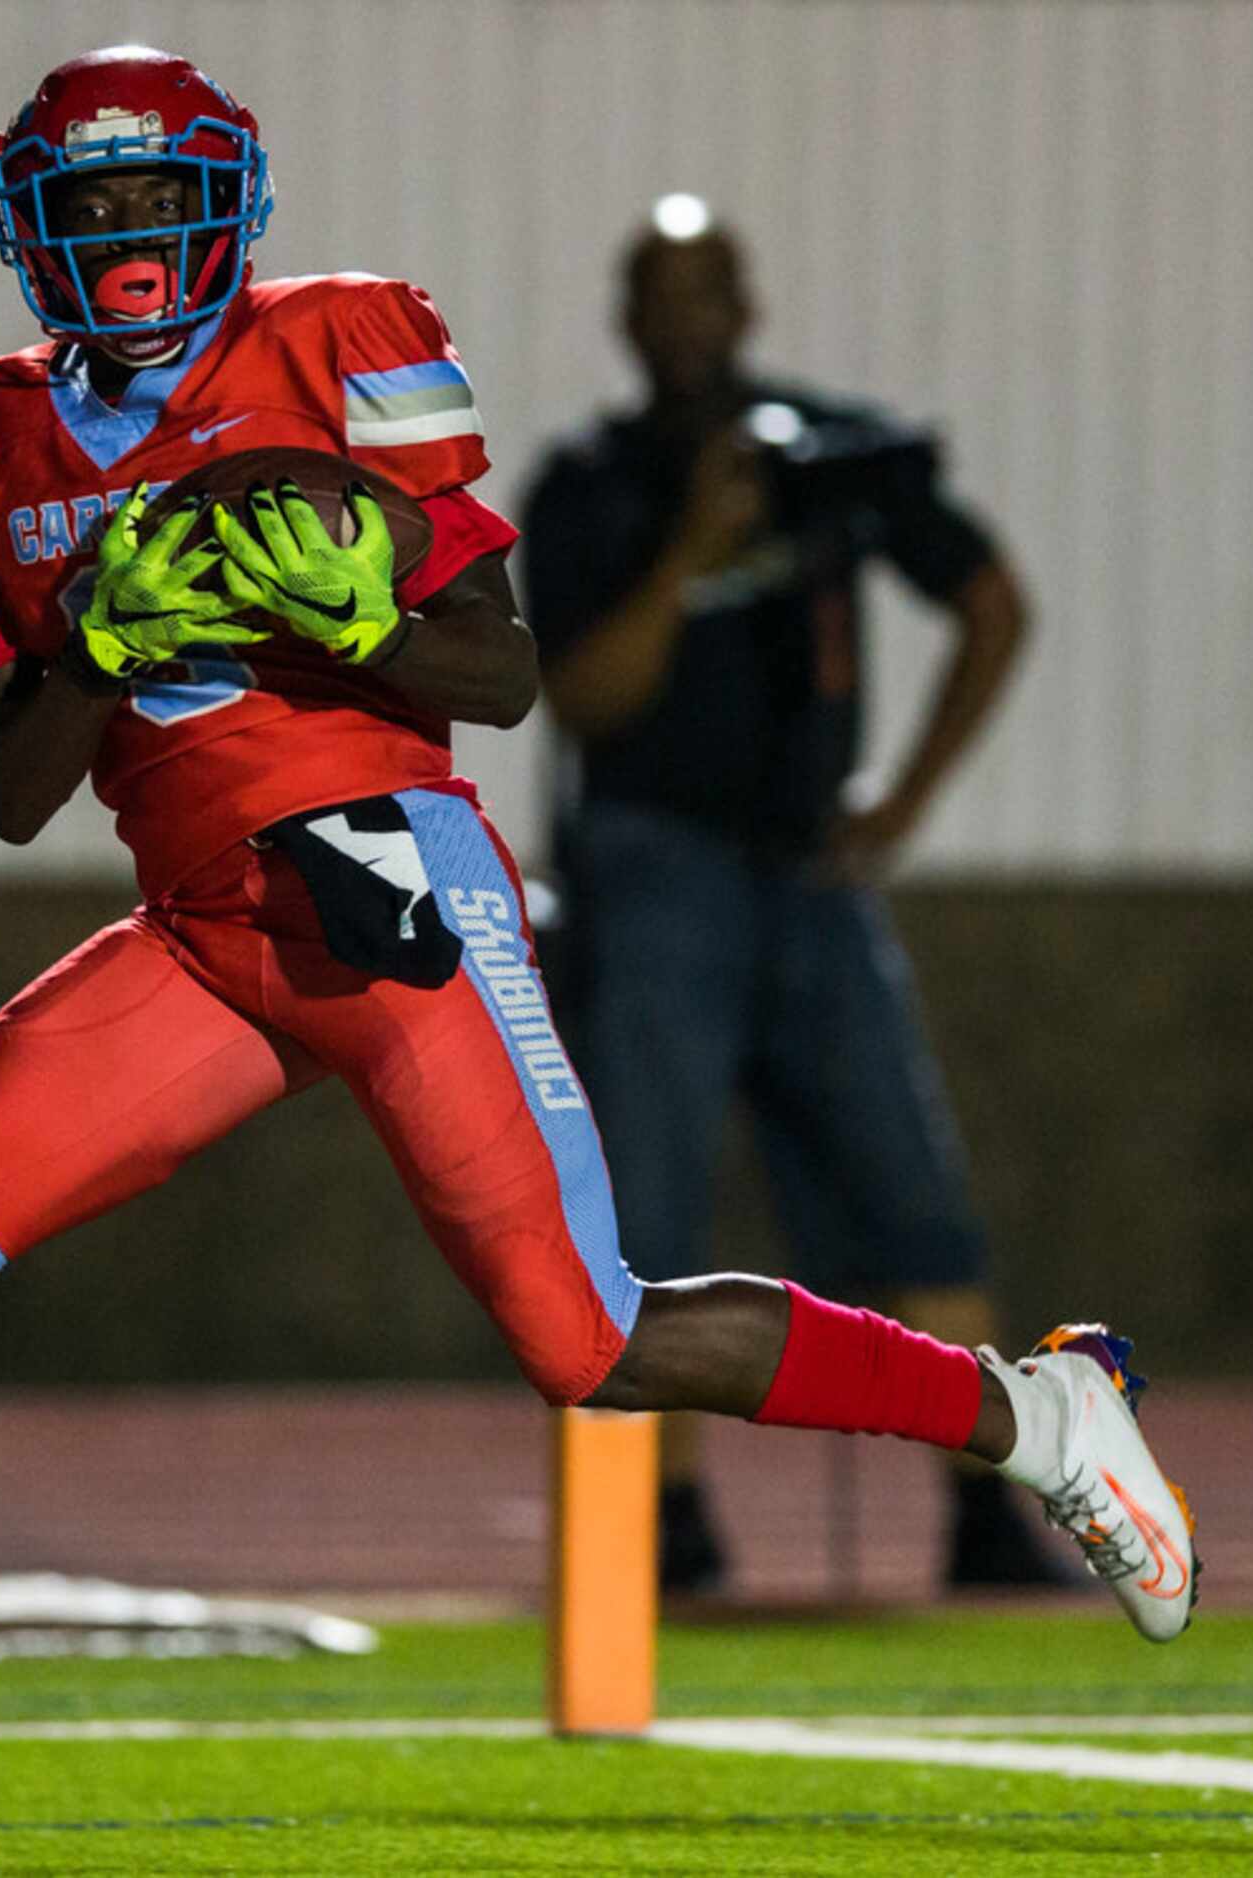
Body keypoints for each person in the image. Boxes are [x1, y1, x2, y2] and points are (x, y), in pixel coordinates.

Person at [0, 51, 1196, 1857]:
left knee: (590, 1337)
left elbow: (496, 675)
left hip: (377, 875)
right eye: (90, 204)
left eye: (154, 197)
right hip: (200, 930)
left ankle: (1037, 1411)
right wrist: (106, 641)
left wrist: (342, 611)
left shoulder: (346, 334)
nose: (126, 235)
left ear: (226, 204)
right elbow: (10, 789)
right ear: (26, 230)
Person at [524, 201, 1051, 1596]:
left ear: (746, 309)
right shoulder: (590, 485)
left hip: (809, 870)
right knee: (644, 1213)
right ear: (626, 319)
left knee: (910, 1190)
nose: (688, 321)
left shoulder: (831, 459)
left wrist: (904, 800)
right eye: (661, 294)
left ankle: (986, 1508)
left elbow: (992, 601)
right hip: (653, 875)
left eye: (710, 293)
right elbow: (581, 700)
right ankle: (662, 1521)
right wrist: (690, 554)